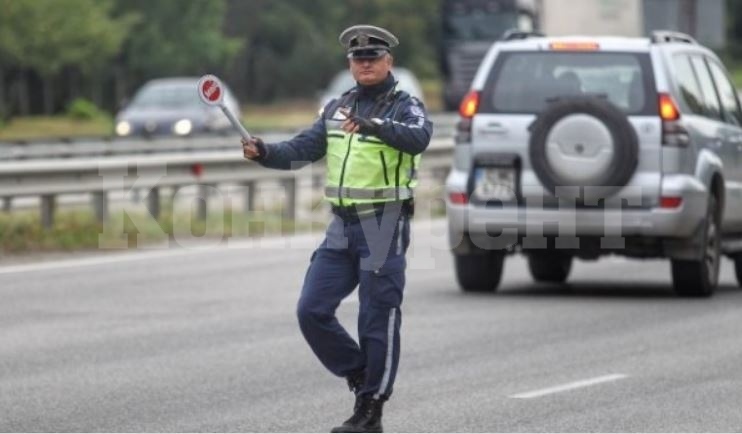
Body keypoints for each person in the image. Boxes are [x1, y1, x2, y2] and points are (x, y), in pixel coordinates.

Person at [242, 24, 433, 433]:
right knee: (311, 310)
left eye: (373, 58)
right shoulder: (337, 107)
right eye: (358, 59)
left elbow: (419, 138)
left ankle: (370, 411)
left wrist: (374, 126)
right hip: (342, 227)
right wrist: (265, 152)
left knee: (375, 317)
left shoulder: (404, 104)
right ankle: (363, 376)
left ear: (388, 62)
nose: (365, 64)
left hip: (384, 222)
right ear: (350, 64)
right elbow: (302, 150)